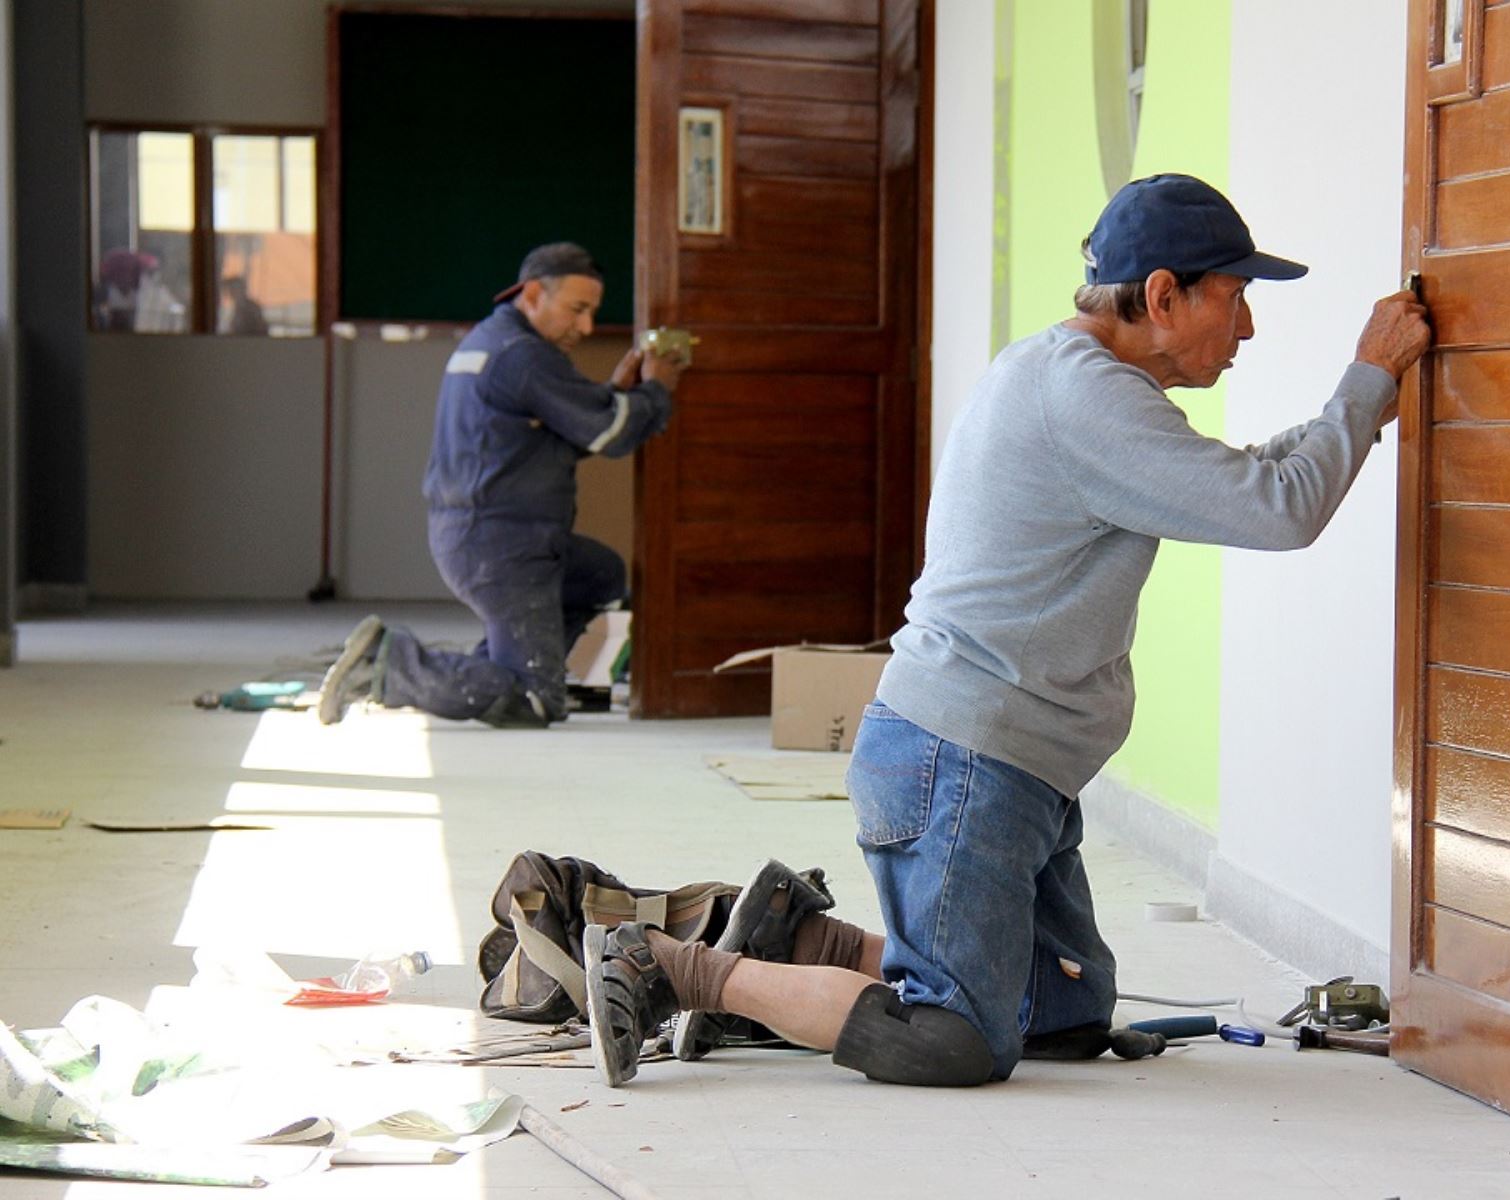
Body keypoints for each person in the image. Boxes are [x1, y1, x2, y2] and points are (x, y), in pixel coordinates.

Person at [585, 175, 1432, 1087]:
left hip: (1005, 767)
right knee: (955, 1038)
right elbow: (1279, 511)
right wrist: (1367, 376)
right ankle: (676, 968)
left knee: (1063, 1014)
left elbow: (1244, 479)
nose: (1248, 329)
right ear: (1161, 295)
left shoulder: (1072, 379)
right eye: (1235, 299)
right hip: (964, 764)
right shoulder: (1086, 399)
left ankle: (799, 936)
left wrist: (1354, 418)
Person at [318, 242, 683, 728]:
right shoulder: (524, 357)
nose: (587, 327)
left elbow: (568, 431)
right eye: (577, 310)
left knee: (601, 575)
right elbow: (609, 435)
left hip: (486, 536)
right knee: (536, 702)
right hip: (504, 547)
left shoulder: (489, 341)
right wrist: (657, 388)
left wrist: (614, 395)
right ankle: (390, 666)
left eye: (593, 313)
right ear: (532, 294)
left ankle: (498, 669)